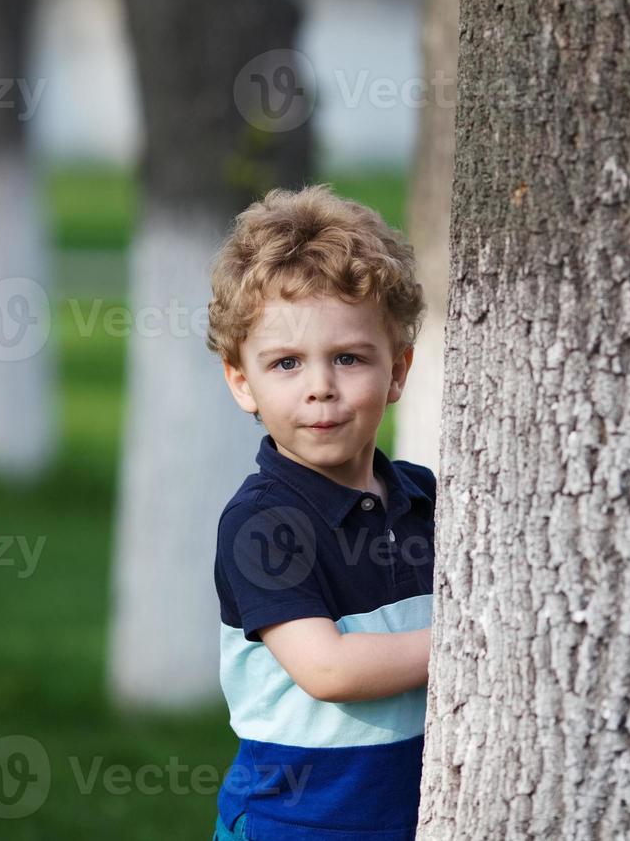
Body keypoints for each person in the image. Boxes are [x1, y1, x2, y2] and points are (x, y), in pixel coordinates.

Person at [207, 184, 437, 841]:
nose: (320, 387)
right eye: (286, 363)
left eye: (348, 357)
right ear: (242, 381)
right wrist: (480, 642)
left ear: (397, 371)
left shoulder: (428, 500)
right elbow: (329, 669)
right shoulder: (263, 525)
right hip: (296, 822)